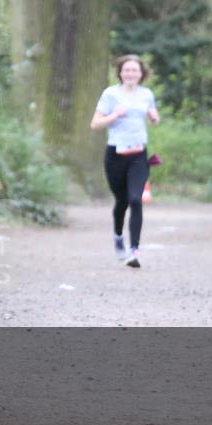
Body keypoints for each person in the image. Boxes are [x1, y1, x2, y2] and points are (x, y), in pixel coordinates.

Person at [89, 55, 160, 268]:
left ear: (141, 73)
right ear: (120, 72)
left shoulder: (146, 94)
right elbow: (95, 124)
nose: (130, 74)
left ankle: (134, 250)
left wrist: (154, 117)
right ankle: (119, 238)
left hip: (138, 155)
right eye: (127, 70)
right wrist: (114, 115)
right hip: (115, 155)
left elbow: (154, 118)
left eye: (134, 70)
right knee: (122, 201)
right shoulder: (110, 94)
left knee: (136, 199)